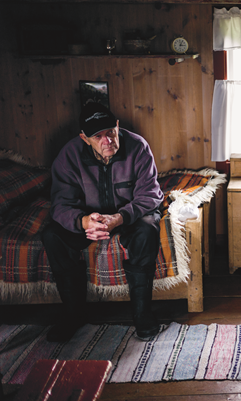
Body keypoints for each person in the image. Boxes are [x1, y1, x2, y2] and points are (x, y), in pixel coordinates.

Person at [41, 102, 165, 342]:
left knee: (148, 228)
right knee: (52, 235)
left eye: (110, 131)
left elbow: (150, 195)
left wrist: (119, 218)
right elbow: (60, 203)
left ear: (117, 126)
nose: (107, 140)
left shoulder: (138, 146)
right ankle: (73, 314)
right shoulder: (69, 154)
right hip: (89, 217)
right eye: (97, 136)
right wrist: (83, 221)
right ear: (84, 138)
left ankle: (142, 314)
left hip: (127, 214)